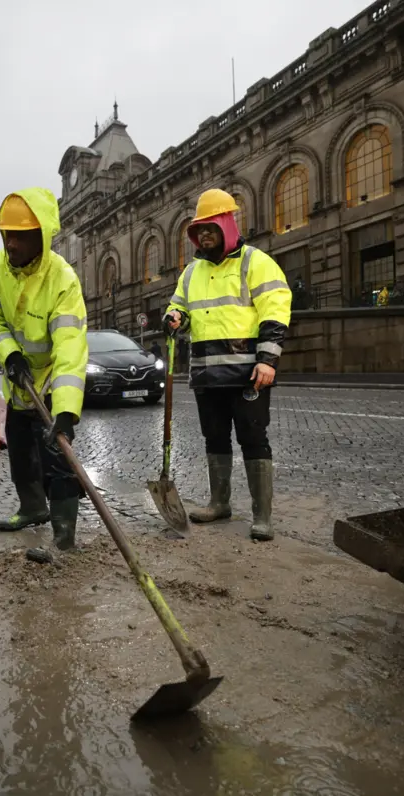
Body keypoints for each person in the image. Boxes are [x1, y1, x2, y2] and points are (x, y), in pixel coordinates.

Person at [164, 189, 291, 542]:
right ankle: (219, 503)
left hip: (247, 373)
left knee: (253, 438)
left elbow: (276, 312)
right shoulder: (191, 272)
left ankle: (261, 516)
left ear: (227, 226)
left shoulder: (255, 262)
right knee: (215, 438)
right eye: (198, 230)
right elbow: (179, 308)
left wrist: (268, 360)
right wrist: (174, 317)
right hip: (207, 373)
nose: (204, 236)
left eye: (210, 228)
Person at [0, 188, 88, 551]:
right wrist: (10, 355)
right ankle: (32, 509)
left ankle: (63, 534)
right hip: (18, 380)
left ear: (40, 236)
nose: (10, 244)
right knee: (20, 452)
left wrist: (67, 410)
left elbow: (71, 345)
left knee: (57, 459)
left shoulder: (63, 279)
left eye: (20, 236)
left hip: (52, 382)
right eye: (6, 234)